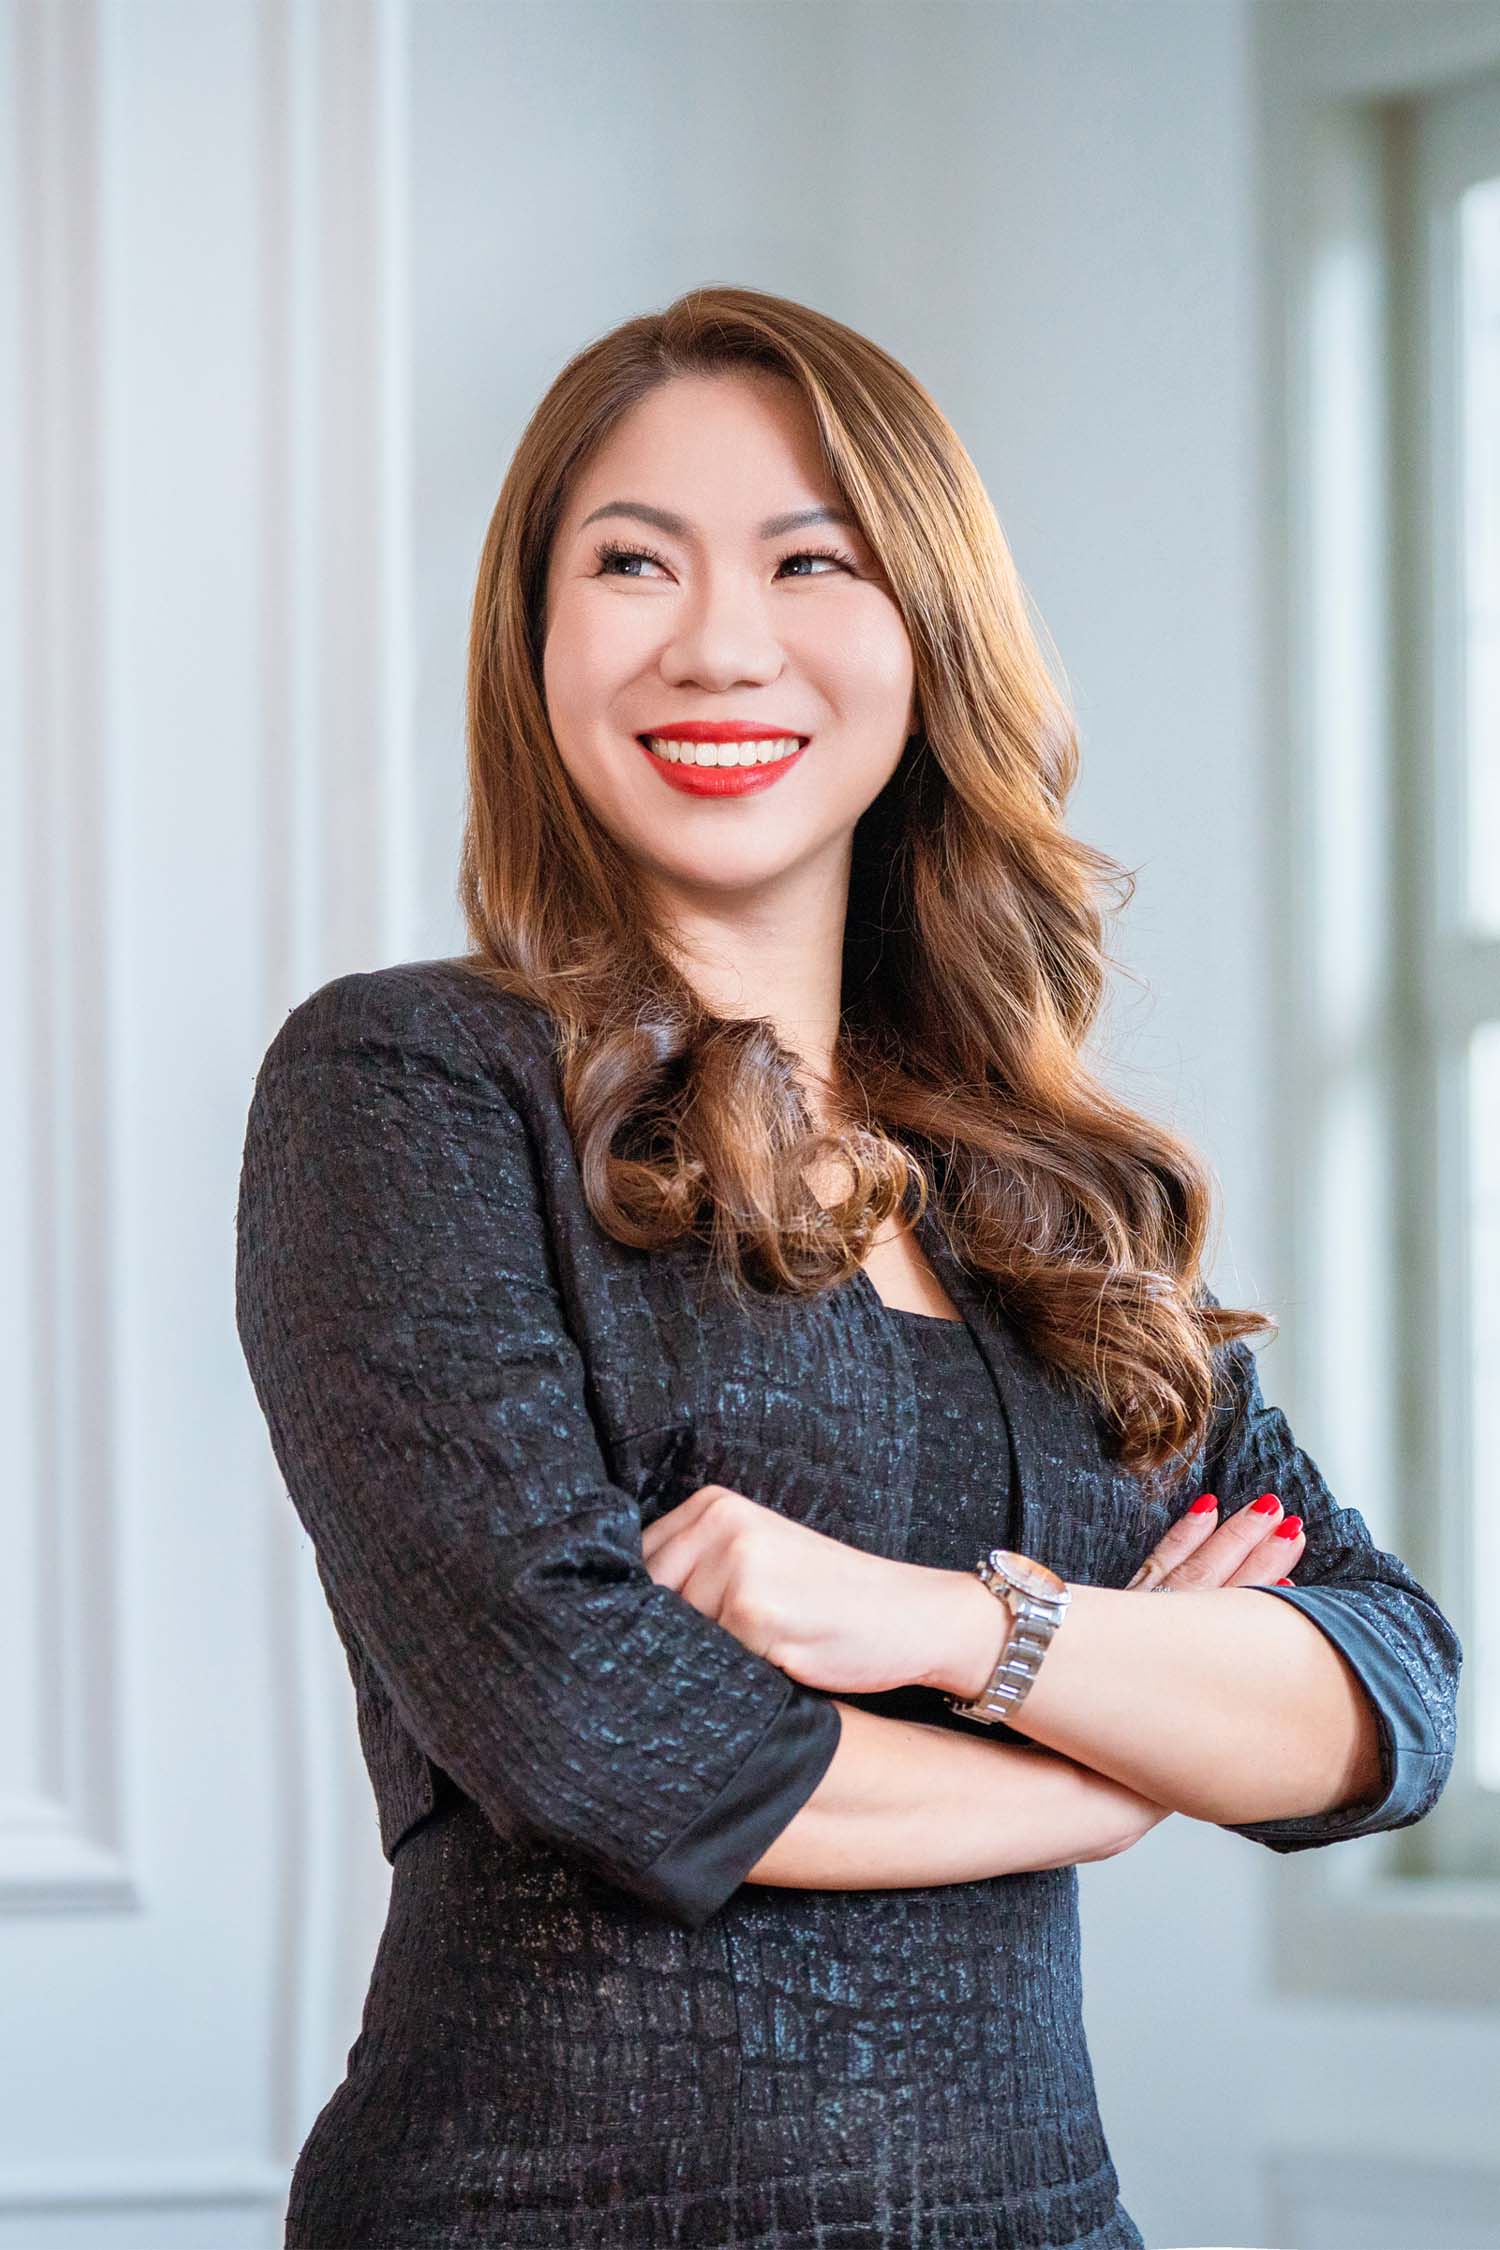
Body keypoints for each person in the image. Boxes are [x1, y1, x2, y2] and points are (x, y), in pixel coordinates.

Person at [234, 284, 1461, 2249]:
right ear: (534, 642)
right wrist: (1109, 1775)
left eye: (813, 560)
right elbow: (604, 1737)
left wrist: (962, 1630)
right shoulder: (412, 1085)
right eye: (632, 562)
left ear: (923, 635)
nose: (721, 640)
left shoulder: (1050, 1196)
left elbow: (1385, 1697)